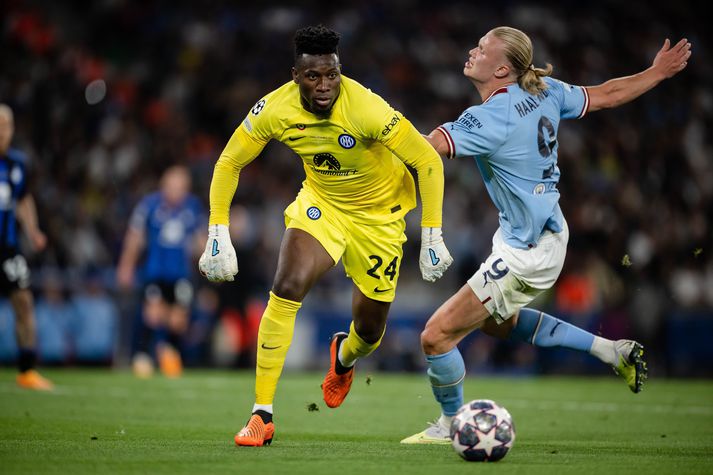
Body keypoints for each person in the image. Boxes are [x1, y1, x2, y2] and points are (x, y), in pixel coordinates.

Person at [401, 27, 692, 444]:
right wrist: (656, 73)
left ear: (501, 67)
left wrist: (377, 136)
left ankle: (450, 426)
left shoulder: (487, 117)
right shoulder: (546, 90)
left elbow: (425, 150)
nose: (471, 51)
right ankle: (613, 351)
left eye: (482, 48)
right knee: (497, 325)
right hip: (545, 234)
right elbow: (606, 94)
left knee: (435, 335)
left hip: (527, 249)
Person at [198, 24, 453, 447]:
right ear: (295, 74)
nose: (324, 86)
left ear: (340, 71)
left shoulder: (366, 107)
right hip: (324, 207)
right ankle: (262, 414)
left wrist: (432, 234)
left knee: (370, 330)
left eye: (331, 75)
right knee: (287, 285)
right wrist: (217, 229)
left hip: (380, 218)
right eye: (313, 76)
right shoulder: (274, 110)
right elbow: (229, 163)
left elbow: (427, 161)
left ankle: (344, 355)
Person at [117, 165, 206, 378]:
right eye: (172, 185)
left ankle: (168, 352)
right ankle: (142, 356)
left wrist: (210, 262)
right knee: (152, 314)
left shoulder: (192, 207)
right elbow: (135, 237)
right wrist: (126, 266)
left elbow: (201, 239)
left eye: (181, 187)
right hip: (155, 271)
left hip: (181, 273)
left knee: (179, 319)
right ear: (163, 185)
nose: (176, 191)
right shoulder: (149, 205)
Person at [0, 103, 53, 390]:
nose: (2, 132)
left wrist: (32, 230)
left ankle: (27, 370)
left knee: (24, 302)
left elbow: (22, 199)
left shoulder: (16, 163)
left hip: (7, 247)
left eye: (6, 126)